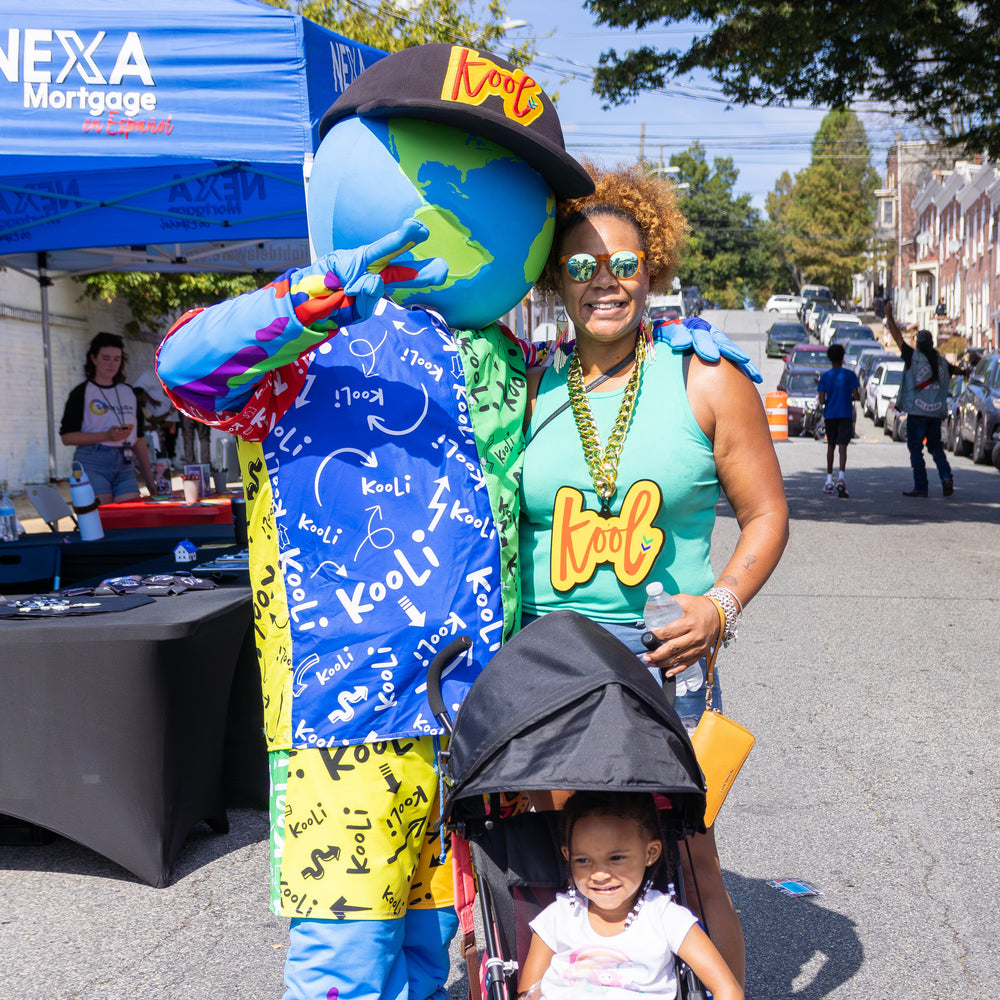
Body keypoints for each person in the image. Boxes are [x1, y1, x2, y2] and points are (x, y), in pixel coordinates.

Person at [155, 45, 754, 1000]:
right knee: (344, 963)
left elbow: (601, 372)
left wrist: (665, 340)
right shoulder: (306, 344)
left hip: (477, 719)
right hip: (341, 713)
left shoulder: (513, 361)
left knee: (444, 953)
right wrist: (310, 299)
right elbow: (187, 370)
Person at [519, 162, 789, 986]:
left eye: (625, 264)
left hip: (663, 658)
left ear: (654, 268)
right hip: (548, 663)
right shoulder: (525, 385)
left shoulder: (705, 378)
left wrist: (720, 605)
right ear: (555, 278)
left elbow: (767, 515)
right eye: (582, 265)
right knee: (554, 860)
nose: (605, 281)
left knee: (690, 860)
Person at [518, 791, 743, 1000]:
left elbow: (727, 988)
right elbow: (527, 994)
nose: (599, 874)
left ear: (650, 853)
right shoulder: (558, 917)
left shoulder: (666, 918)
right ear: (567, 856)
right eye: (583, 860)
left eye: (616, 858)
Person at [59, 332, 157, 503]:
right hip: (93, 460)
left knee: (130, 513)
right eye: (106, 358)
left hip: (125, 463)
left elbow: (139, 439)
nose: (111, 364)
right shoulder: (81, 392)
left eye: (116, 359)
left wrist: (150, 481)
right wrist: (106, 436)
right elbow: (67, 437)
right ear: (93, 358)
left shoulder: (128, 392)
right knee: (103, 515)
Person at [884, 302, 961, 497]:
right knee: (936, 448)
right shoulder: (942, 362)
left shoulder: (913, 357)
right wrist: (969, 370)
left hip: (917, 413)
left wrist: (889, 316)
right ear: (932, 344)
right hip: (935, 414)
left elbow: (897, 337)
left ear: (917, 344)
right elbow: (958, 371)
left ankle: (921, 486)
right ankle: (946, 477)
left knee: (916, 449)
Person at [816, 342, 860, 497]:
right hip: (845, 414)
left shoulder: (825, 377)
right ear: (843, 358)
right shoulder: (850, 375)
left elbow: (821, 399)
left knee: (831, 446)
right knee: (843, 446)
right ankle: (841, 477)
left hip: (830, 414)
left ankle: (829, 480)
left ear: (830, 358)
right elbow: (856, 396)